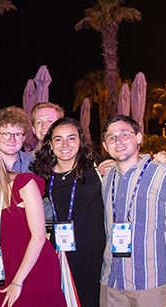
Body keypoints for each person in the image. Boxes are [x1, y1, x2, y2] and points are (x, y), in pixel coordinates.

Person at [0, 138, 65, 307]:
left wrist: (18, 281)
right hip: (4, 268)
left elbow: (39, 236)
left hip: (35, 267)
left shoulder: (23, 183)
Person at [99, 115, 166, 307]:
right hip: (112, 280)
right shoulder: (107, 177)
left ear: (138, 138)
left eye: (125, 134)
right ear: (104, 145)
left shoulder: (162, 173)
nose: (118, 141)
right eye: (111, 137)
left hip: (151, 282)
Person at [29, 117, 106, 307]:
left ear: (80, 142)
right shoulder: (40, 177)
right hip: (60, 254)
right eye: (58, 139)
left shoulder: (98, 169)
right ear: (50, 145)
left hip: (95, 256)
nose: (65, 144)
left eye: (71, 138)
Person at [0, 106, 35, 173]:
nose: (12, 140)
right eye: (6, 134)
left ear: (24, 137)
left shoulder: (34, 165)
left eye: (17, 134)